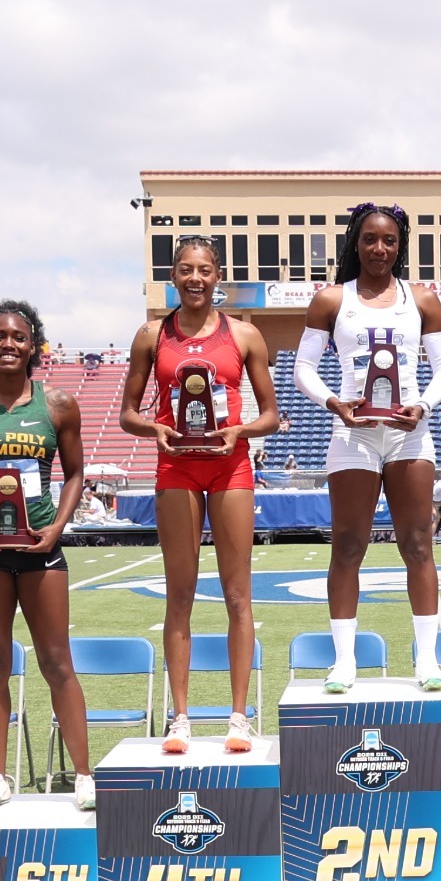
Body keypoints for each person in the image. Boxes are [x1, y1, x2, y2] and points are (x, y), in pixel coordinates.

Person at [121, 238, 280, 752]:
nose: (195, 278)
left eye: (205, 270)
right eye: (186, 270)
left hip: (230, 468)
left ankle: (238, 716)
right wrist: (154, 431)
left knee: (238, 594)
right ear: (173, 276)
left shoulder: (245, 334)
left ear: (218, 277)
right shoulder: (151, 335)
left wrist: (241, 433)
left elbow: (271, 416)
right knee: (180, 594)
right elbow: (128, 412)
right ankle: (181, 718)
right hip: (176, 467)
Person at [0, 299, 97, 811]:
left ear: (34, 345)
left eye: (19, 337)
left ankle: (82, 775)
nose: (9, 344)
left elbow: (74, 473)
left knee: (57, 660)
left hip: (41, 550)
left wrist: (58, 526)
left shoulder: (58, 405)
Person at [295, 203, 441, 692]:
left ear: (400, 244)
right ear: (355, 242)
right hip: (352, 433)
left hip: (409, 434)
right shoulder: (330, 300)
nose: (379, 248)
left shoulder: (422, 299)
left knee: (417, 544)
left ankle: (425, 660)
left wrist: (422, 406)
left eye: (388, 239)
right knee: (347, 545)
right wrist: (334, 404)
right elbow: (303, 368)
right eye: (369, 239)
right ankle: (345, 661)